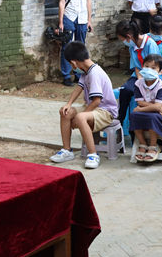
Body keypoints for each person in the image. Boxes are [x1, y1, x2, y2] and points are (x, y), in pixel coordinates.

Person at [50, 41, 119, 169]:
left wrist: (81, 115)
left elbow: (97, 101)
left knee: (80, 117)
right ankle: (66, 150)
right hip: (94, 109)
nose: (72, 67)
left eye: (71, 64)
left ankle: (93, 155)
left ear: (74, 62)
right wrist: (68, 104)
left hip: (105, 112)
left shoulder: (94, 73)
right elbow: (79, 87)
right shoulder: (86, 71)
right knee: (65, 112)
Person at [129, 54, 162, 162]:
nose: (149, 70)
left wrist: (143, 108)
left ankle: (153, 146)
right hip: (153, 110)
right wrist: (155, 107)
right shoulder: (138, 83)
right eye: (146, 66)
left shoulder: (161, 85)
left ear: (160, 71)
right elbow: (140, 101)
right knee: (133, 116)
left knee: (153, 118)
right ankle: (143, 143)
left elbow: (156, 106)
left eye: (153, 68)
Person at [58, 0, 95, 86]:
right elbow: (62, 2)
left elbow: (88, 1)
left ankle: (79, 74)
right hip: (69, 15)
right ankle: (66, 75)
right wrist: (61, 22)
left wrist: (89, 20)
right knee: (67, 45)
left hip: (83, 17)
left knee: (80, 46)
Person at [115, 19, 160, 126]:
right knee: (125, 90)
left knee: (146, 93)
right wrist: (140, 79)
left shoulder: (150, 44)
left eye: (123, 39)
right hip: (138, 76)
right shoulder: (132, 47)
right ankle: (119, 120)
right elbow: (136, 66)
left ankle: (142, 123)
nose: (124, 42)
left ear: (128, 37)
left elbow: (155, 68)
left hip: (152, 77)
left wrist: (145, 82)